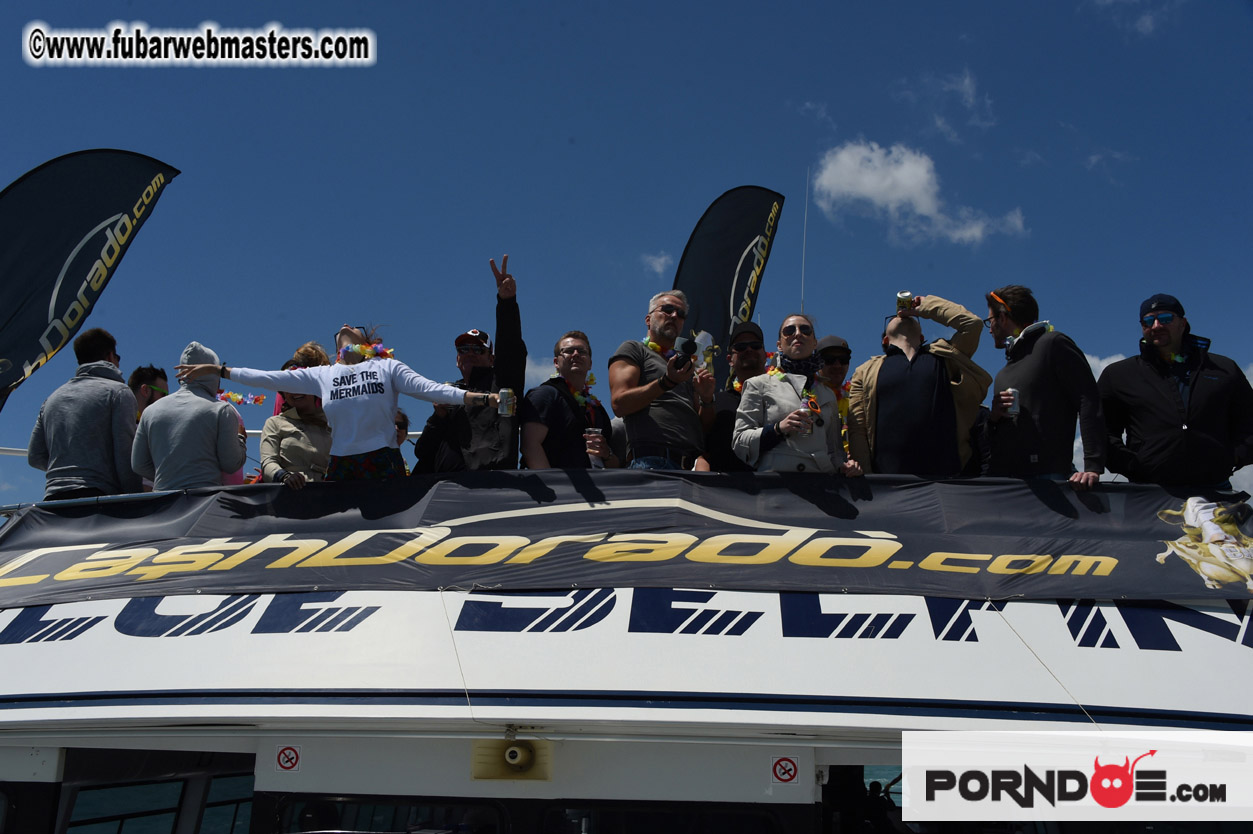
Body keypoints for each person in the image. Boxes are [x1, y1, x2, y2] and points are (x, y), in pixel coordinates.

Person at [178, 325, 489, 481]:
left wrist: (482, 398)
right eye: (340, 327)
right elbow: (267, 378)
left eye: (352, 326)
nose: (344, 325)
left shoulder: (387, 367)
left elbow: (431, 390)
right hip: (341, 465)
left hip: (382, 462)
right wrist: (219, 370)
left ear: (367, 344)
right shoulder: (323, 375)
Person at [1098, 293, 1253, 487]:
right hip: (1146, 490)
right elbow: (1100, 428)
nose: (1156, 326)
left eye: (1165, 318)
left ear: (1182, 323)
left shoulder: (1223, 369)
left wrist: (1234, 458)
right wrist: (1130, 465)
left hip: (1215, 487)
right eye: (1148, 321)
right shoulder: (1119, 375)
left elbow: (1249, 420)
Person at [847, 294, 991, 477]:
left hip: (946, 480)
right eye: (893, 317)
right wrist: (869, 480)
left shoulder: (946, 357)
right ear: (885, 341)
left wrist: (925, 307)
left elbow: (972, 324)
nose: (900, 316)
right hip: (890, 482)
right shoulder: (864, 371)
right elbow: (857, 429)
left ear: (922, 336)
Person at [984, 285, 1105, 489]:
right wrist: (993, 419)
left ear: (1002, 317)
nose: (989, 329)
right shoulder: (1002, 374)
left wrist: (1093, 466)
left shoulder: (1052, 344)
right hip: (1009, 485)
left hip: (1050, 479)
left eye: (990, 321)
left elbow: (1088, 400)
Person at [415, 255, 528, 472]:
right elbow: (422, 452)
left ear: (491, 358)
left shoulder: (502, 384)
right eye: (463, 349)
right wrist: (439, 416)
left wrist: (507, 302)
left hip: (491, 483)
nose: (469, 353)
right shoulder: (449, 393)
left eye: (478, 349)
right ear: (457, 359)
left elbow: (511, 349)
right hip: (444, 486)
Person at [733, 314, 862, 475]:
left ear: (814, 343)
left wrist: (846, 467)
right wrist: (778, 429)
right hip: (776, 483)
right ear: (779, 345)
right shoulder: (758, 385)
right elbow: (740, 441)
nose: (798, 334)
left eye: (805, 330)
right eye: (789, 331)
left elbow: (835, 452)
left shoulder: (827, 394)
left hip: (821, 483)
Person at [27, 327, 142, 500]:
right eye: (117, 358)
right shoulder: (118, 392)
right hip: (98, 499)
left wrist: (67, 470)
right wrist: (137, 501)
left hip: (53, 501)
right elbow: (125, 456)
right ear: (110, 356)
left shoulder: (51, 399)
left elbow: (34, 456)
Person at [608, 290, 715, 469]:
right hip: (652, 461)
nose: (674, 316)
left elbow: (704, 428)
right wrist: (666, 382)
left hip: (691, 466)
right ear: (648, 319)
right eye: (667, 309)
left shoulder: (686, 365)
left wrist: (707, 399)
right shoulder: (634, 349)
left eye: (680, 314)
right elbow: (619, 403)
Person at [132, 341, 248, 491]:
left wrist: (170, 476)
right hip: (204, 500)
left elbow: (138, 464)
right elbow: (231, 464)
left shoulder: (150, 411)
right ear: (213, 374)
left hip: (163, 500)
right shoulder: (222, 410)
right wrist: (240, 439)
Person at [520, 330, 617, 468]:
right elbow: (530, 446)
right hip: (556, 481)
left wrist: (607, 453)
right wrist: (551, 480)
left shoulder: (597, 408)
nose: (576, 354)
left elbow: (615, 465)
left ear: (590, 363)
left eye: (582, 351)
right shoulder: (545, 395)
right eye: (569, 351)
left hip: (596, 480)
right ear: (556, 362)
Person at [259, 359, 333, 489]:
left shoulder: (333, 422)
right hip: (291, 495)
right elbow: (268, 462)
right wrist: (284, 476)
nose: (294, 390)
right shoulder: (275, 423)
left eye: (300, 383)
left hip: (329, 494)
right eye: (288, 385)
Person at [705, 321, 768, 472]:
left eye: (755, 345)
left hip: (777, 484)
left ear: (766, 355)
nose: (749, 349)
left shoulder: (784, 395)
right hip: (726, 485)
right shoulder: (718, 401)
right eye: (740, 347)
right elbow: (703, 449)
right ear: (730, 360)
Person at [815, 334, 853, 455]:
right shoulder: (807, 398)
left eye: (843, 360)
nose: (837, 365)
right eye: (829, 360)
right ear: (817, 363)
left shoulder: (857, 400)